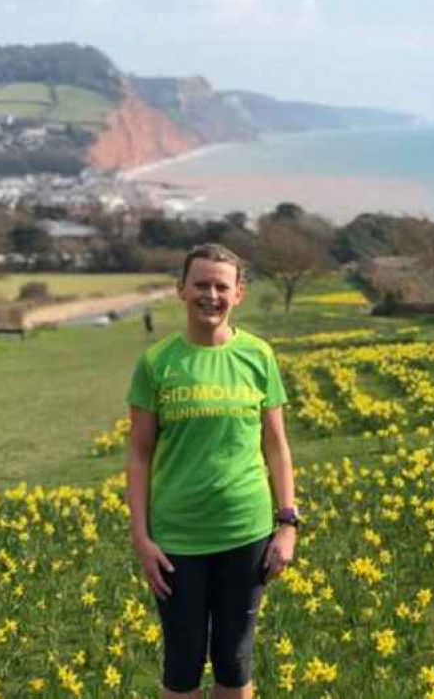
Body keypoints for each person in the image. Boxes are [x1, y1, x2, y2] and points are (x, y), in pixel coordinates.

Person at [126, 243, 299, 699]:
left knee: (234, 661)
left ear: (238, 294)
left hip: (246, 533)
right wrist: (141, 539)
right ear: (180, 290)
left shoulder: (258, 356)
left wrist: (287, 525)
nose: (211, 295)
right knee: (181, 666)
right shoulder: (156, 363)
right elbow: (139, 455)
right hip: (175, 540)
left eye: (221, 286)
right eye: (200, 284)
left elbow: (276, 446)